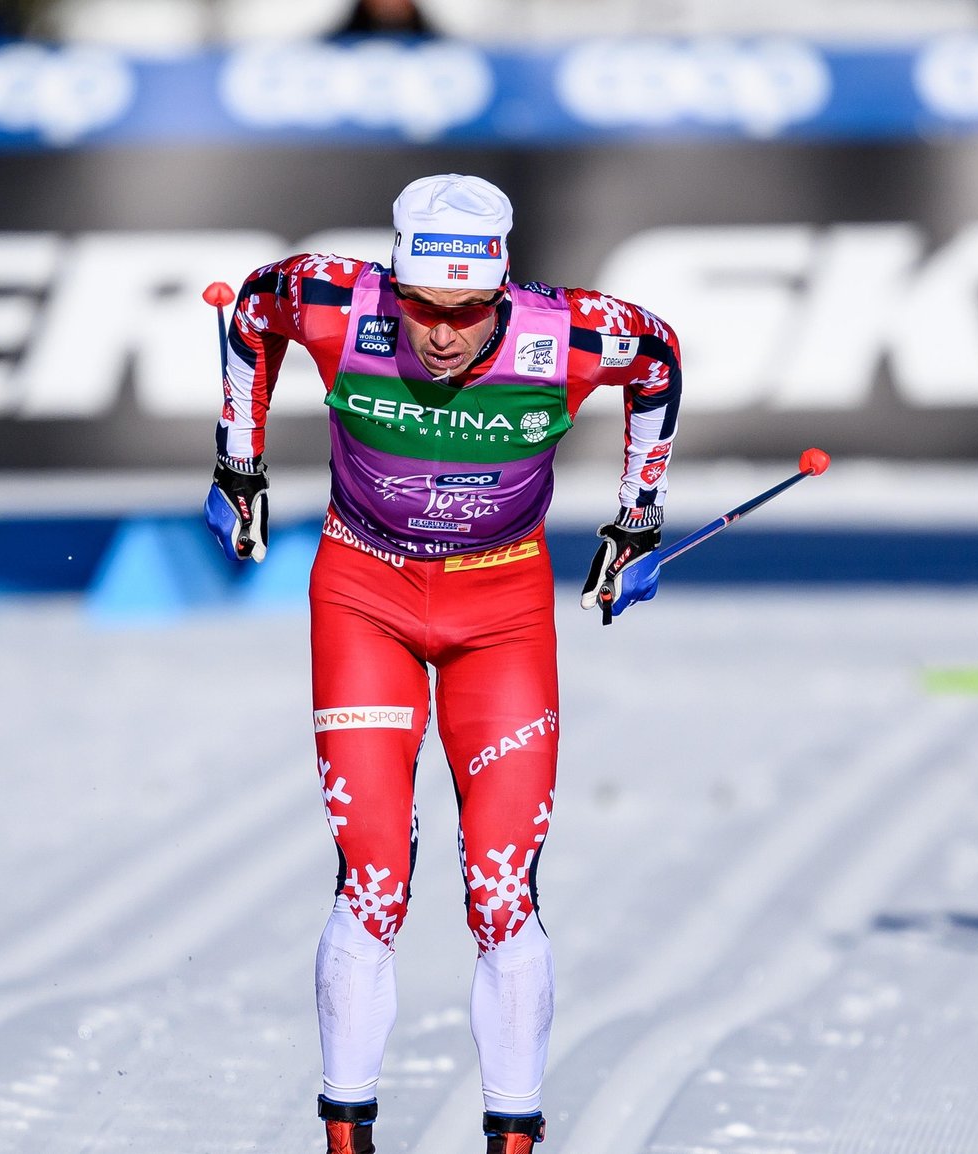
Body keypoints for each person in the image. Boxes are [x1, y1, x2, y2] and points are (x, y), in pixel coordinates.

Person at [203, 174, 681, 1154]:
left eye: (468, 312)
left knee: (500, 888)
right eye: (422, 304)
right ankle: (346, 1138)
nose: (443, 334)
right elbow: (253, 305)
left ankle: (511, 1138)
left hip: (499, 608)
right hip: (363, 594)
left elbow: (660, 357)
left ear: (502, 288)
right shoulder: (339, 299)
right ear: (393, 277)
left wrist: (636, 522)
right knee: (372, 878)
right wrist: (235, 463)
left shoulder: (573, 333)